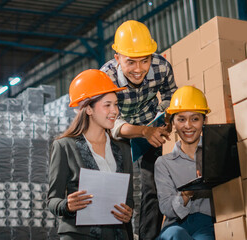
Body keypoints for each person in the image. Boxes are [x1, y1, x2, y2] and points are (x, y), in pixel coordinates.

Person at [100, 20, 177, 239]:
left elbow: (171, 96)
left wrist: (165, 121)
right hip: (118, 130)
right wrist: (142, 131)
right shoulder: (106, 77)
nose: (138, 69)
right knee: (119, 190)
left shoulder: (161, 67)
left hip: (150, 125)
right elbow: (110, 122)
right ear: (117, 59)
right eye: (130, 62)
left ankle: (148, 237)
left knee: (153, 186)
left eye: (144, 61)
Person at [47, 69, 134, 240]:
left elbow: (128, 198)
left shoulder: (123, 148)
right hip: (79, 235)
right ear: (88, 109)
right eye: (107, 105)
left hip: (118, 234)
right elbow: (52, 200)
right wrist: (67, 205)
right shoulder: (64, 147)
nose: (115, 111)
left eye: (116, 104)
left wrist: (127, 211)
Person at [154, 86, 215, 240]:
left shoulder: (216, 155)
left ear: (204, 120)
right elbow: (166, 208)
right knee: (176, 235)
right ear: (173, 122)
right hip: (175, 225)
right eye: (181, 119)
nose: (188, 125)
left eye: (195, 119)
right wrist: (187, 193)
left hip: (207, 225)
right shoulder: (164, 163)